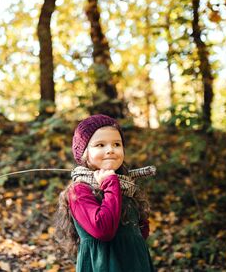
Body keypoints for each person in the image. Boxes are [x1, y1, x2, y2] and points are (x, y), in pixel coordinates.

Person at [56, 114, 156, 271]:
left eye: (117, 144)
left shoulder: (124, 185)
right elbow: (104, 230)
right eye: (100, 145)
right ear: (84, 153)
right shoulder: (80, 190)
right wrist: (110, 184)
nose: (110, 150)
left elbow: (138, 232)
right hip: (104, 266)